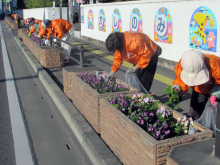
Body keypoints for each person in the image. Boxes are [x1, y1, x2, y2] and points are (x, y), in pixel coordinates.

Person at [172, 49, 220, 120]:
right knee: (193, 113)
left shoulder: (215, 65)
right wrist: (177, 89)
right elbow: (180, 80)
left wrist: (215, 94)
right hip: (199, 89)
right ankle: (193, 126)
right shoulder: (184, 64)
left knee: (216, 115)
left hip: (214, 87)